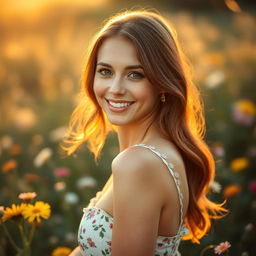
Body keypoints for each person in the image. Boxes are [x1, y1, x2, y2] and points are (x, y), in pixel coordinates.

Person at [63, 9, 227, 256]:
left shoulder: (138, 163)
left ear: (162, 81)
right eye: (105, 71)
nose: (115, 89)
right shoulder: (156, 150)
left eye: (135, 75)